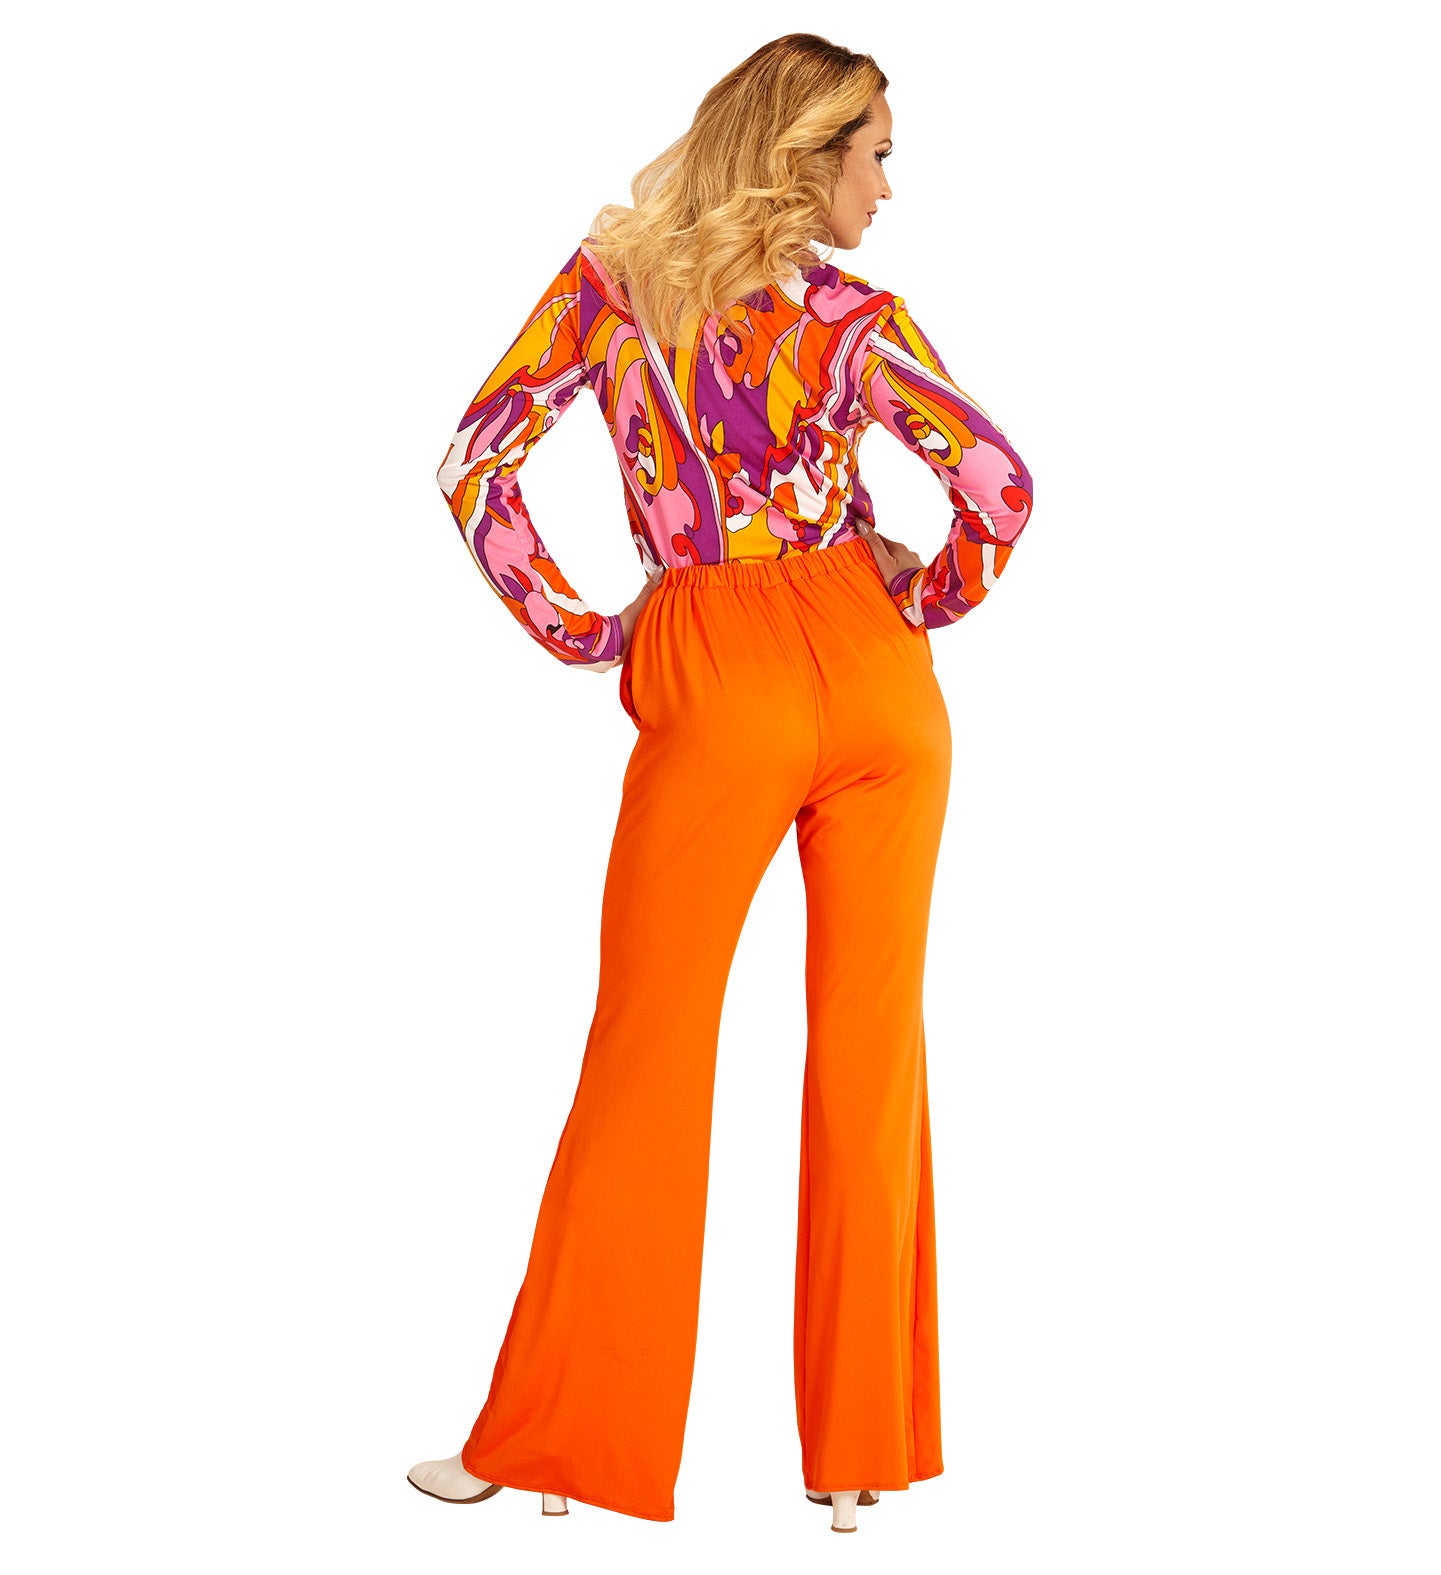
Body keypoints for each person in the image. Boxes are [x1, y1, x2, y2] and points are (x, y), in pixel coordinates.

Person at [407, 32, 1033, 1534]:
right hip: (878, 679)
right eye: (875, 155)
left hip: (717, 666)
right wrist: (921, 594)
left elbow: (474, 466)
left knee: (651, 1048)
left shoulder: (616, 286)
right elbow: (1000, 485)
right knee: (871, 1059)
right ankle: (859, 1458)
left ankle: (561, 1445)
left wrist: (590, 631)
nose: (888, 189)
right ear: (806, 157)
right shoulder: (852, 317)